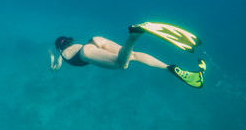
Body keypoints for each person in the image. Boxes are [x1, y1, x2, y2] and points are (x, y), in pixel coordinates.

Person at [49, 22, 206, 88]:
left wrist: (52, 60)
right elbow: (88, 47)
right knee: (133, 56)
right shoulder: (74, 45)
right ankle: (168, 67)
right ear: (68, 42)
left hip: (86, 53)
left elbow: (55, 69)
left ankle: (134, 36)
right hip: (94, 41)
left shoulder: (61, 55)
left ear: (59, 48)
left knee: (122, 64)